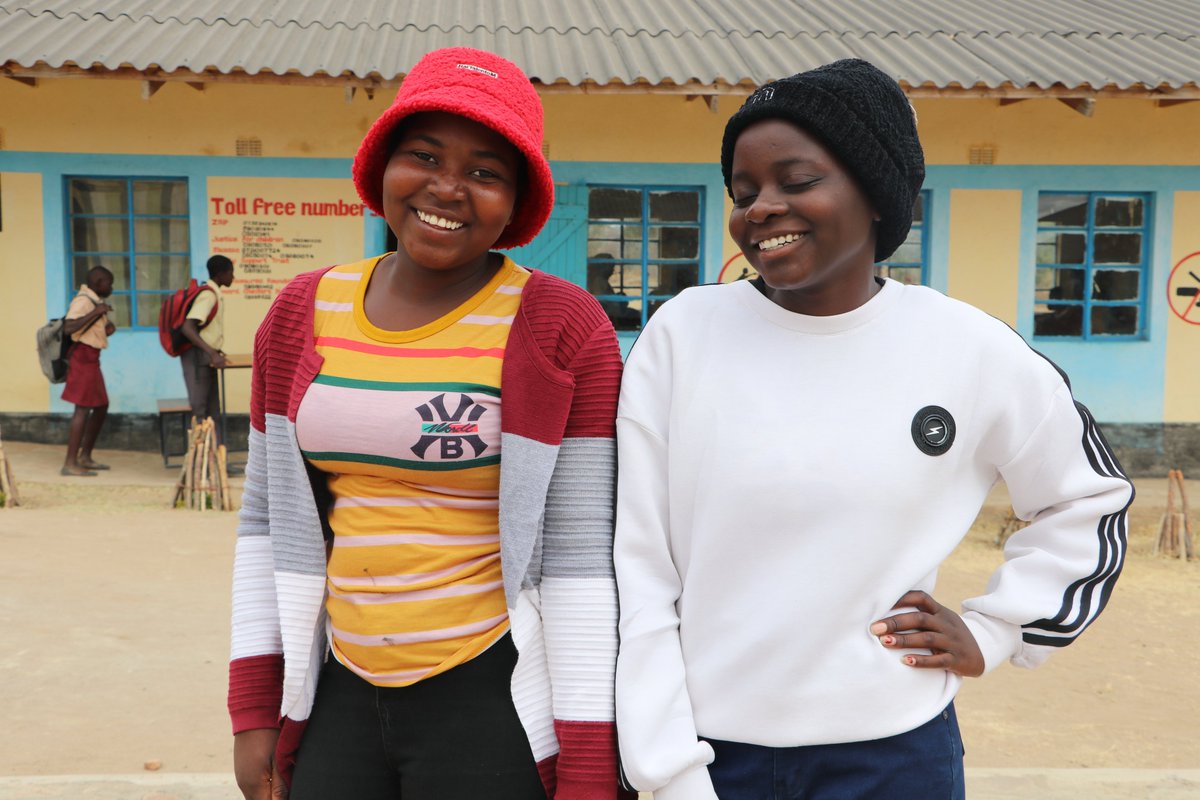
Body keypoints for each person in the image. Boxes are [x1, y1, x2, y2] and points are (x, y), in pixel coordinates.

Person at [613, 59, 1133, 800]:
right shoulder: (684, 334)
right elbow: (639, 568)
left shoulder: (967, 349)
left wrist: (997, 630)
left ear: (876, 192)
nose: (761, 207)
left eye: (795, 181)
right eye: (744, 190)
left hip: (893, 760)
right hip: (708, 755)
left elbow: (1091, 499)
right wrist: (667, 770)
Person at [228, 47, 629, 800]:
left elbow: (580, 560)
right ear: (383, 167)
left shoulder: (558, 327)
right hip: (339, 685)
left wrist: (584, 765)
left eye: (485, 172)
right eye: (424, 156)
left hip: (489, 696)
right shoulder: (301, 313)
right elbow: (264, 522)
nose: (447, 188)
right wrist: (255, 710)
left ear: (517, 202)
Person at [60, 265, 116, 476]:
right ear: (98, 282)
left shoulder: (94, 301)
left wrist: (106, 329)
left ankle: (85, 456)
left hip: (92, 360)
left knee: (101, 406)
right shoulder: (83, 301)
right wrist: (96, 312)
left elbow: (89, 330)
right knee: (82, 409)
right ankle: (70, 463)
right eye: (109, 283)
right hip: (82, 360)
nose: (111, 287)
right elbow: (68, 327)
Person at [179, 255, 235, 425]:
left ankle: (213, 450)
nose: (233, 277)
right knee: (200, 409)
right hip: (198, 357)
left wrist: (216, 350)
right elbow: (188, 327)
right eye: (231, 273)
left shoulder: (213, 293)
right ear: (220, 274)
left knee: (213, 410)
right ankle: (199, 449)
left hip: (207, 357)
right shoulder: (208, 296)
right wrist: (211, 352)